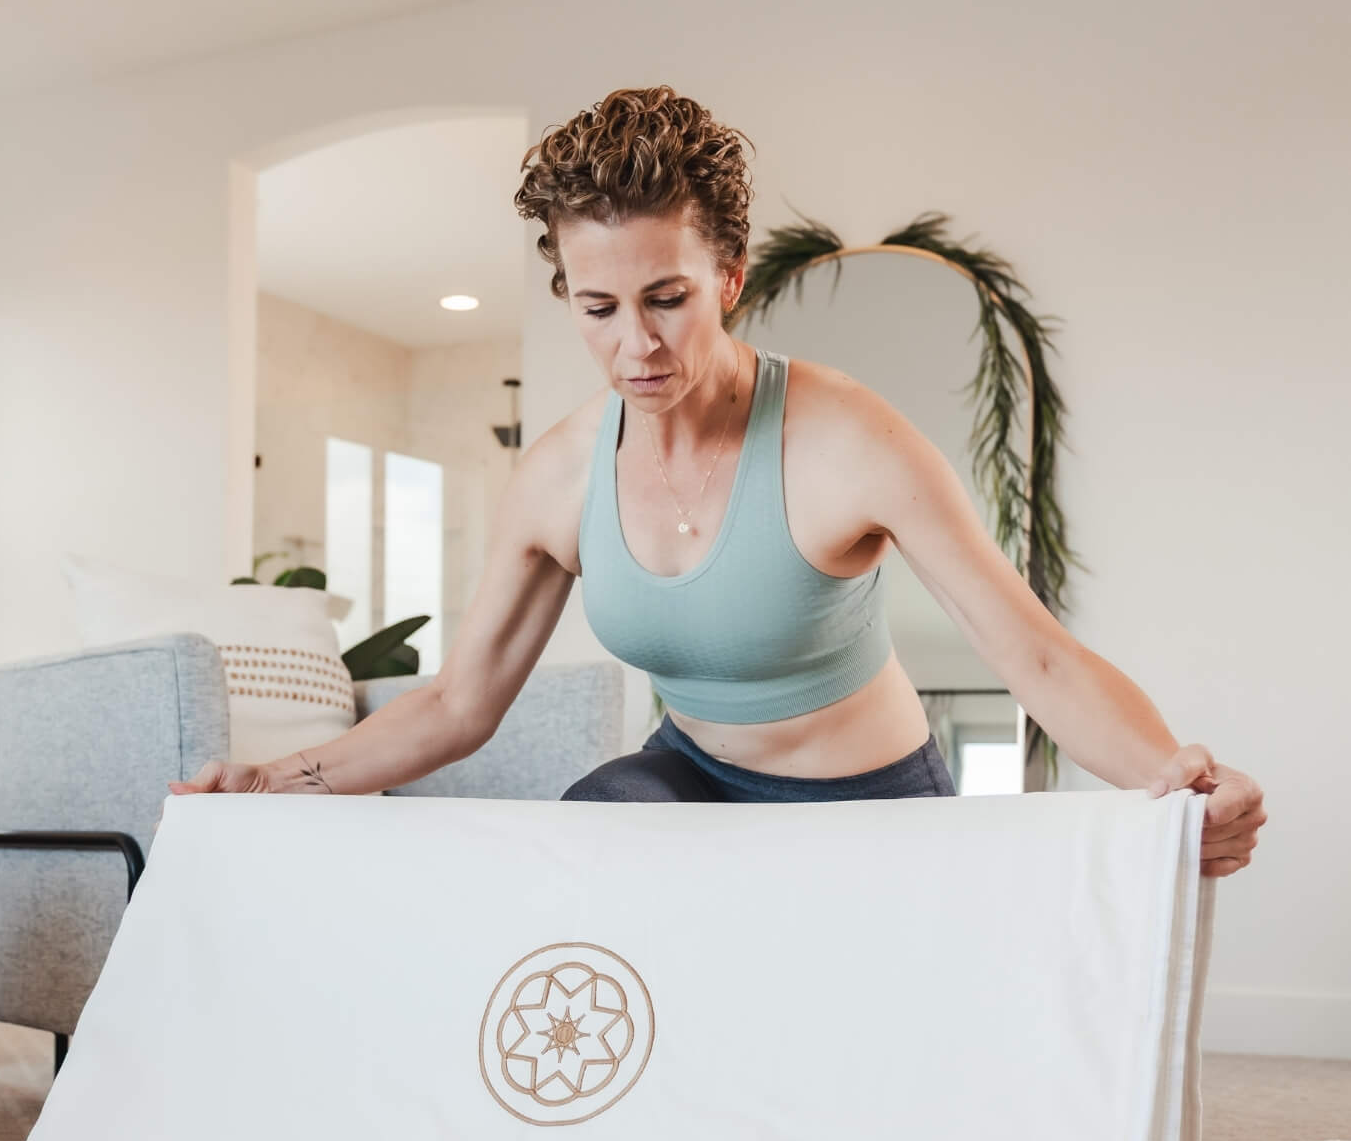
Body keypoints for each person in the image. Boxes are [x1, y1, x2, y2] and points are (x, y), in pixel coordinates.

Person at [174, 85, 1264, 880]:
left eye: (666, 298)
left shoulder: (844, 438)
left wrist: (1176, 775)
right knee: (593, 838)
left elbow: (1033, 653)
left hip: (869, 810)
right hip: (688, 786)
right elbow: (459, 704)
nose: (635, 344)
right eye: (598, 309)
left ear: (729, 279)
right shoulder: (558, 476)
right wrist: (273, 785)